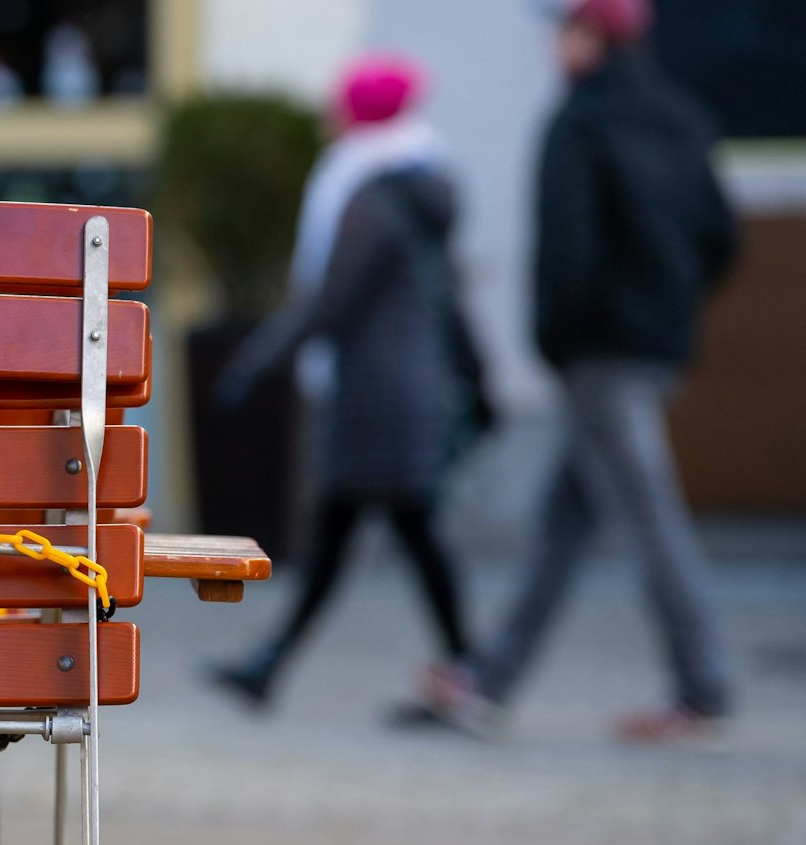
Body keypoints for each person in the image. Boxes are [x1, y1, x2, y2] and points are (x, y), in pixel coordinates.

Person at [424, 0, 737, 743]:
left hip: (600, 354)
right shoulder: (682, 115)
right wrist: (671, 307)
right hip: (654, 347)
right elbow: (720, 236)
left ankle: (705, 686)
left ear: (596, 36)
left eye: (566, 29)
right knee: (565, 520)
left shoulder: (581, 120)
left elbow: (566, 249)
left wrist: (556, 340)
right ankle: (491, 681)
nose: (555, 44)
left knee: (650, 516)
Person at [208, 54, 487, 708]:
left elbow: (328, 303)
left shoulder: (368, 196)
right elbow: (449, 294)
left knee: (399, 534)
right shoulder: (426, 186)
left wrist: (256, 361)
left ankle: (470, 666)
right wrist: (480, 379)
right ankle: (269, 665)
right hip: (408, 387)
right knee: (359, 535)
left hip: (372, 395)